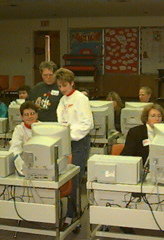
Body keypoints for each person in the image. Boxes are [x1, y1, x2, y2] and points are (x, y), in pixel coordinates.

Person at [55, 67, 93, 227]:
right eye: (59, 86)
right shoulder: (62, 100)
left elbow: (87, 124)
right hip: (65, 142)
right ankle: (65, 211)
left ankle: (71, 214)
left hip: (79, 142)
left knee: (73, 179)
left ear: (72, 83)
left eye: (65, 85)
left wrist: (70, 135)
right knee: (62, 177)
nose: (62, 89)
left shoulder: (80, 99)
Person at [9, 101, 38, 175]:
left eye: (32, 114)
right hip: (24, 162)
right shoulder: (19, 129)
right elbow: (15, 148)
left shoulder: (43, 127)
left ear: (37, 115)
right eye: (26, 115)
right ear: (22, 117)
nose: (30, 117)